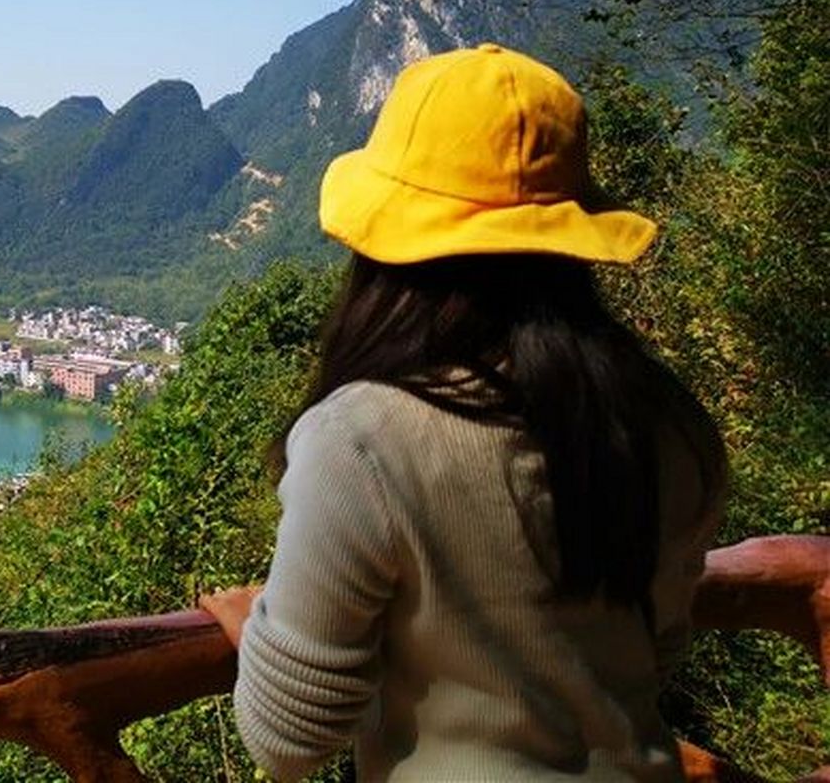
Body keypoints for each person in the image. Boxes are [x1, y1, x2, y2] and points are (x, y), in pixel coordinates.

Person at [200, 43, 727, 782]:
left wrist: (252, 626)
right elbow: (657, 646)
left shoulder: (363, 440)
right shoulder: (669, 422)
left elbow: (288, 743)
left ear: (383, 246)